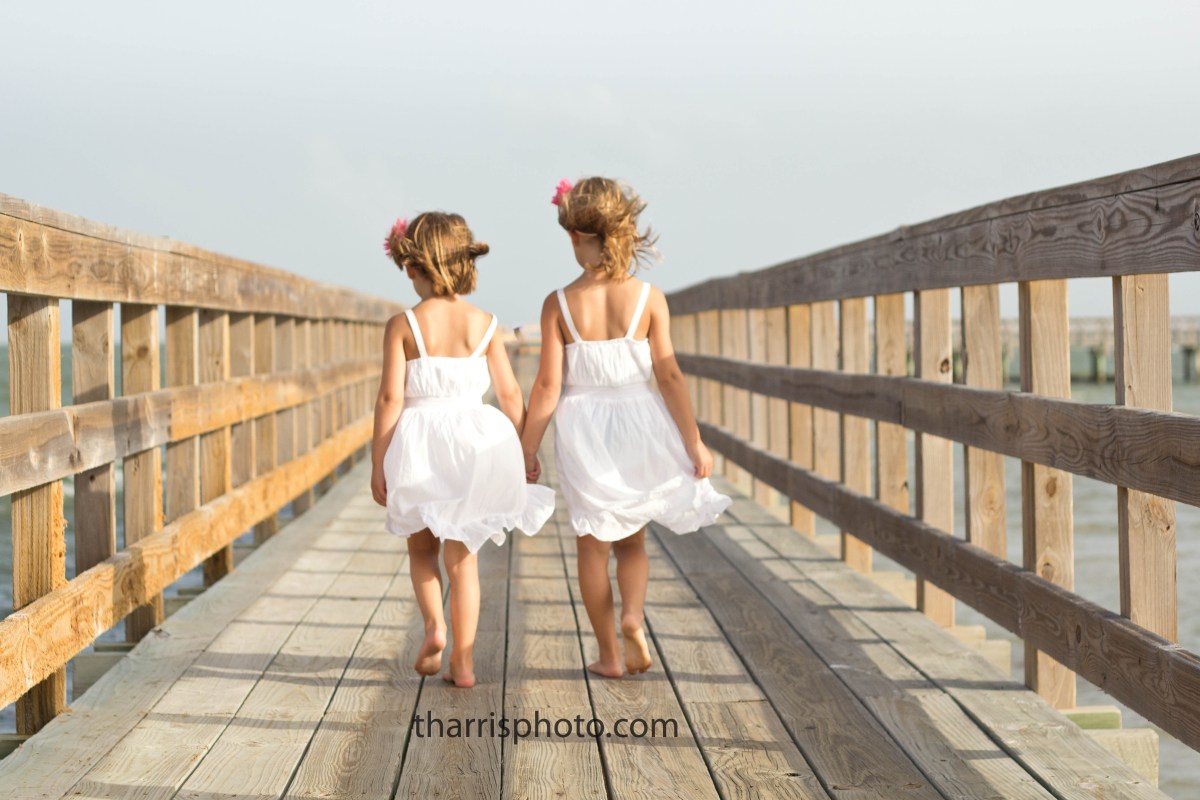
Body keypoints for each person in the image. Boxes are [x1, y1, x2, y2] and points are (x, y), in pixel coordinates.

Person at [521, 178, 730, 677]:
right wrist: (694, 442)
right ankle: (633, 616)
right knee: (633, 540)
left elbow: (547, 386)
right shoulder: (649, 298)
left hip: (584, 428)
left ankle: (610, 654)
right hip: (638, 421)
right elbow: (670, 377)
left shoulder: (558, 303)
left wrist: (526, 450)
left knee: (592, 545)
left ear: (577, 236)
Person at [372, 211, 554, 687]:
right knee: (464, 559)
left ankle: (435, 626)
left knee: (421, 550)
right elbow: (510, 394)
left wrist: (378, 462)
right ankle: (464, 662)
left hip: (419, 442)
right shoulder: (486, 323)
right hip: (474, 441)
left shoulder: (403, 325)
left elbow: (390, 399)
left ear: (414, 267)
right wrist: (525, 450)